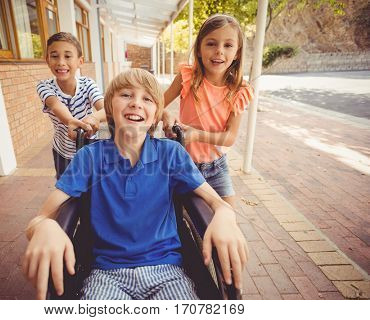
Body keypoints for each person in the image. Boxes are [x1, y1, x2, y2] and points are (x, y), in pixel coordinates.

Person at [23, 68, 248, 300]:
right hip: (106, 274)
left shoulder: (171, 154)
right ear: (109, 107)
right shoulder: (89, 157)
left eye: (147, 99)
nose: (136, 104)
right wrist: (46, 227)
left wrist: (225, 215)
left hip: (168, 271)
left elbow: (216, 202)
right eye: (126, 95)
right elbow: (40, 218)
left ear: (156, 115)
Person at [163, 14, 253, 208]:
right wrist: (166, 115)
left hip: (217, 167)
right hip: (183, 165)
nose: (219, 51)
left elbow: (229, 137)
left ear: (237, 52)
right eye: (211, 43)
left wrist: (196, 135)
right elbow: (157, 103)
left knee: (228, 217)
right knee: (181, 216)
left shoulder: (239, 91)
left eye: (228, 45)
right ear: (199, 49)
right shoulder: (187, 76)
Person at [37, 32, 106, 179]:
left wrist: (93, 118)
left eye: (68, 56)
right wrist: (69, 121)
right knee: (66, 189)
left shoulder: (88, 84)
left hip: (89, 149)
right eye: (54, 56)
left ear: (80, 61)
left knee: (91, 187)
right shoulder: (44, 87)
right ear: (47, 60)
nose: (61, 62)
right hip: (63, 153)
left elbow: (106, 109)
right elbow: (55, 105)